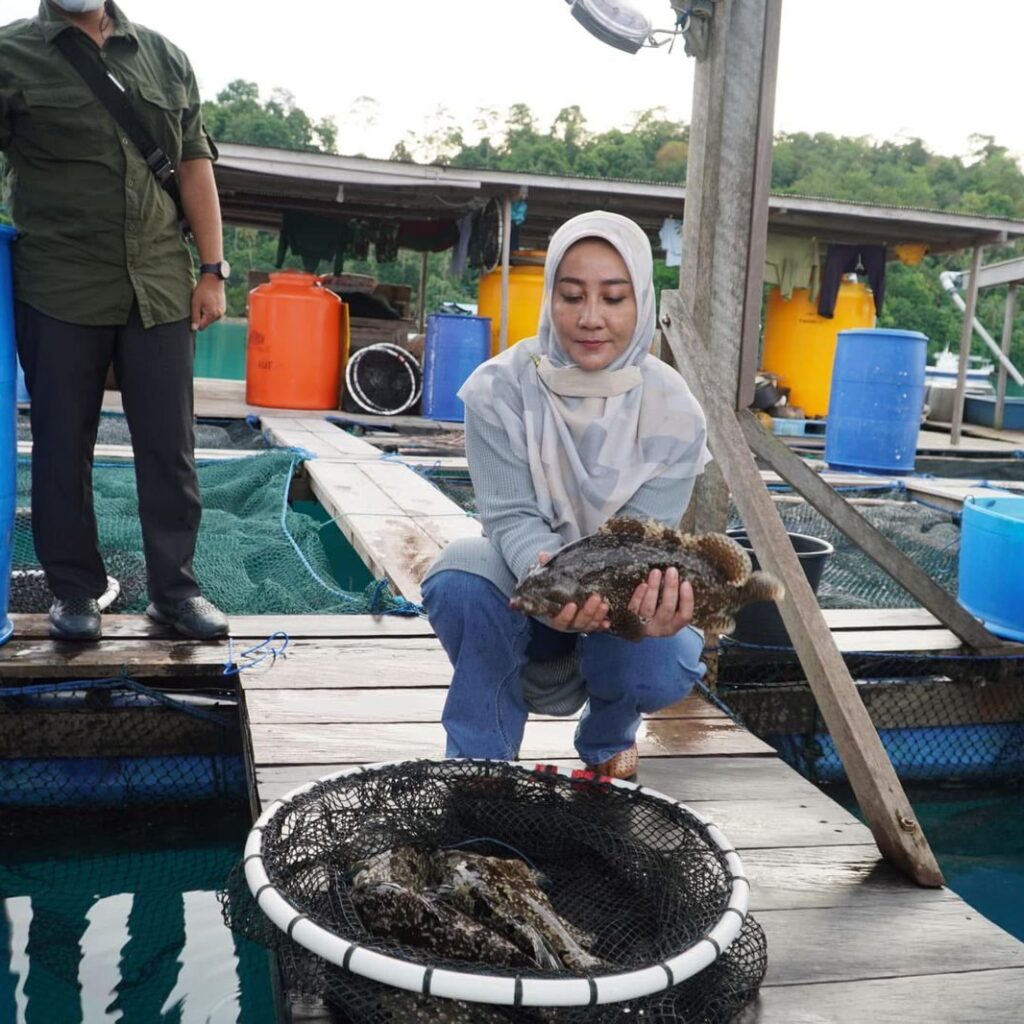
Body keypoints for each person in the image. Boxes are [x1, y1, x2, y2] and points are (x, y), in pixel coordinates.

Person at [422, 210, 712, 780]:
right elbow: (509, 518)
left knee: (667, 658)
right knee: (459, 575)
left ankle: (609, 739)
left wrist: (653, 606)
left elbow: (641, 541)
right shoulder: (497, 389)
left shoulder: (676, 411)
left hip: (618, 603)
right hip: (528, 580)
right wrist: (551, 574)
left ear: (642, 303)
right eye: (572, 294)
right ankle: (481, 758)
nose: (590, 318)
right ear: (549, 296)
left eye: (613, 298)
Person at [0, 1, 230, 640]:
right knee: (59, 445)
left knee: (169, 446)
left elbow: (192, 165)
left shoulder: (163, 56)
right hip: (57, 282)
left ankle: (175, 592)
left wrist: (212, 269)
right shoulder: (10, 52)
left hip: (158, 283)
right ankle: (74, 591)